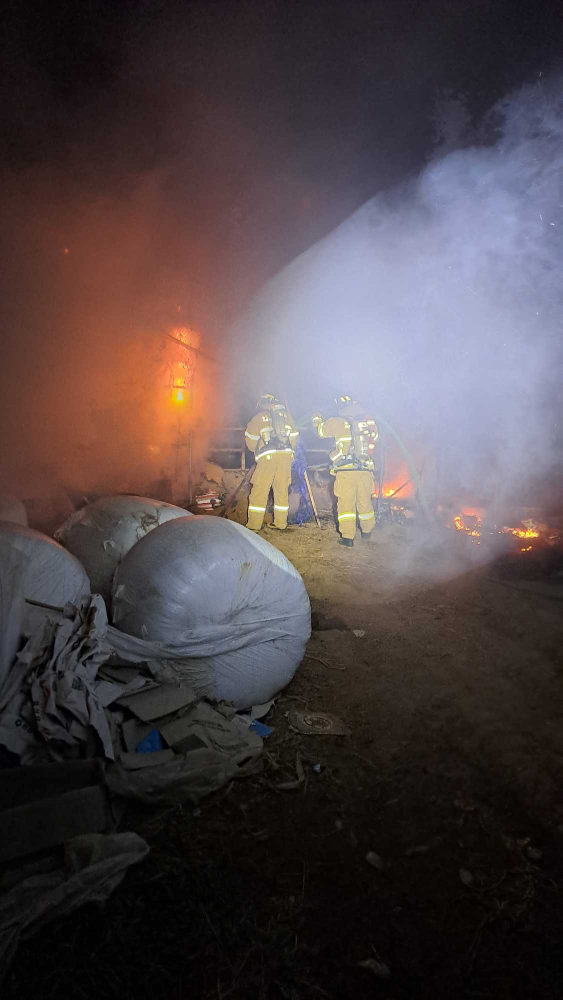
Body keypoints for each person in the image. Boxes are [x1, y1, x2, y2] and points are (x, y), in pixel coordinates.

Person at [312, 395, 378, 547]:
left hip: (346, 470)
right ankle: (367, 532)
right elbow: (375, 437)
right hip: (365, 469)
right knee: (365, 501)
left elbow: (320, 432)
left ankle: (348, 538)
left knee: (346, 504)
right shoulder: (369, 421)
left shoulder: (337, 421)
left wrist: (316, 418)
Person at [245, 393, 300, 531]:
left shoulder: (258, 418)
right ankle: (281, 524)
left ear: (263, 404)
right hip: (286, 457)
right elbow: (294, 438)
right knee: (281, 490)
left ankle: (254, 526)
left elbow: (250, 442)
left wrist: (258, 450)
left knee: (259, 491)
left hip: (268, 458)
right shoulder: (287, 417)